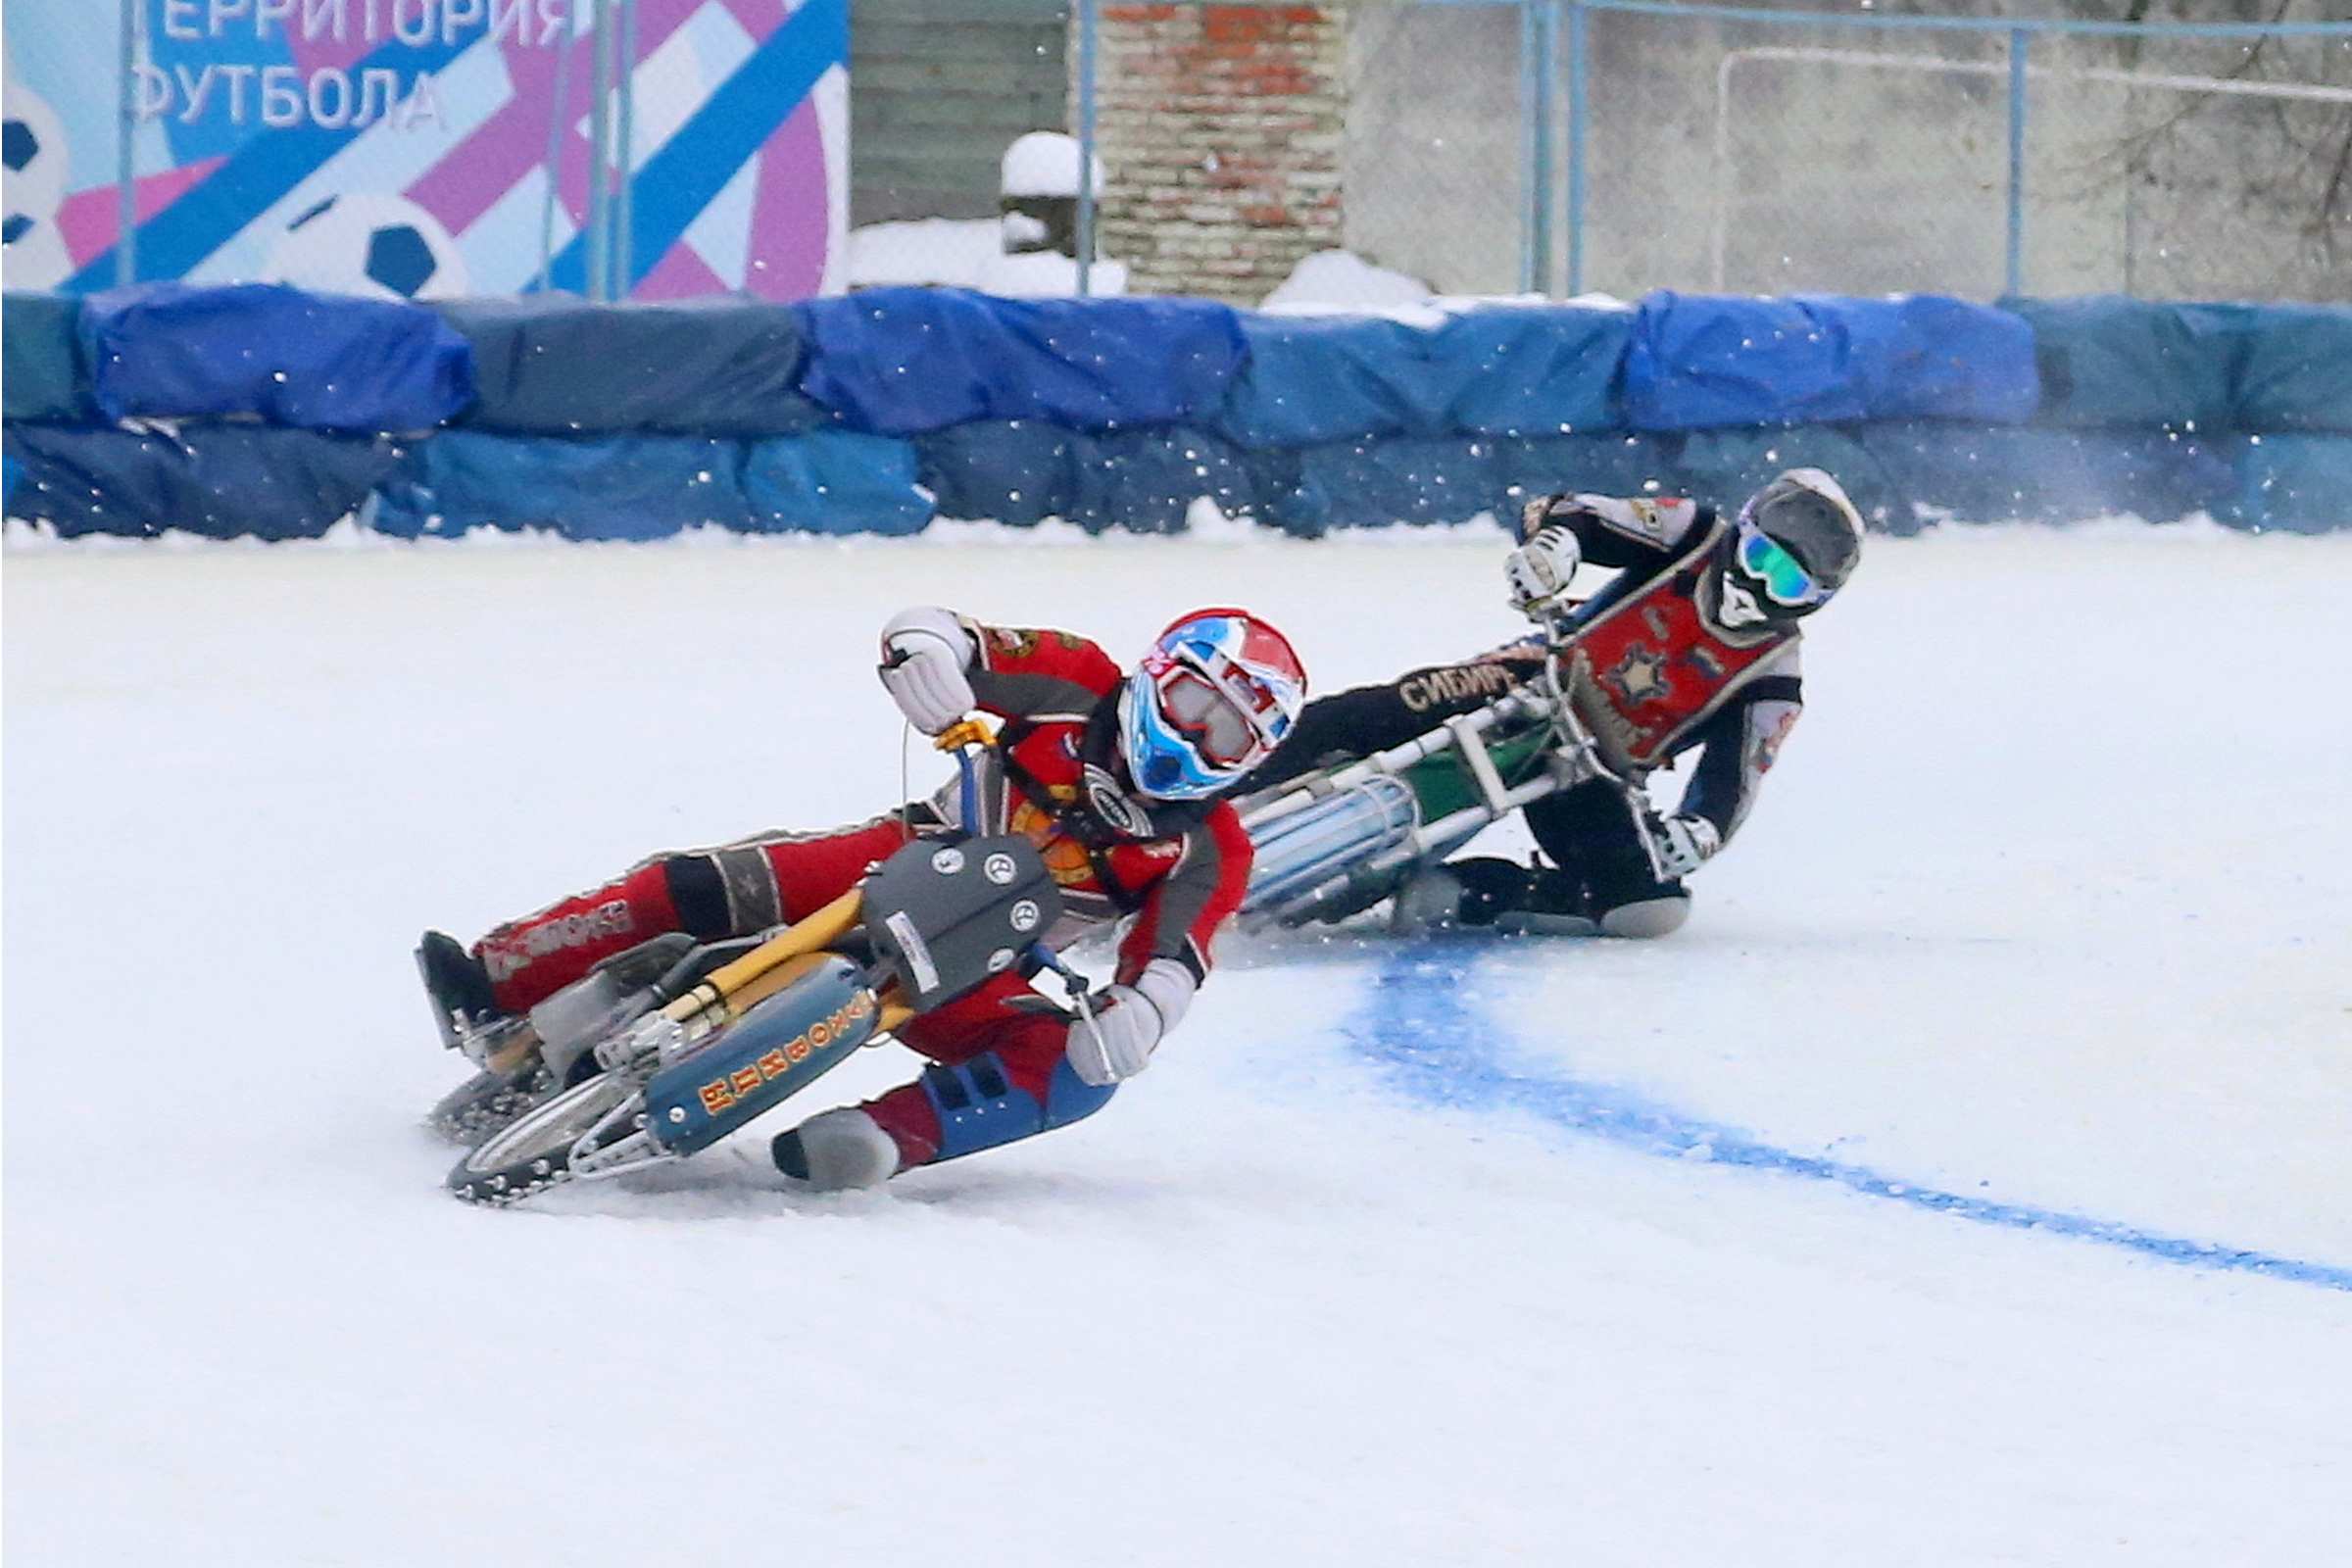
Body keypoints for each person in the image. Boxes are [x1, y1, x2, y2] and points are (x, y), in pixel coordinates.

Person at [417, 606, 1306, 1190]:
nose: (1194, 733)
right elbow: (956, 635)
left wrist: (1143, 1012)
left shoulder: (1209, 848)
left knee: (1077, 1071)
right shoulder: (1075, 677)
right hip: (900, 857)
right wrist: (929, 656)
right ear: (1157, 674)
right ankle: (497, 981)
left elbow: (1175, 957)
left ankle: (880, 1141)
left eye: (1226, 730)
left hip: (980, 961)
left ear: (1250, 760)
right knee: (693, 885)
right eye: (1194, 701)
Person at [1245, 468, 1863, 938]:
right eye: (1758, 559)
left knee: (1649, 909)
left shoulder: (1774, 680)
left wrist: (1696, 834)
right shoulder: (1691, 531)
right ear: (1740, 533)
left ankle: (1479, 893)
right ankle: (1231, 773)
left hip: (1595, 771)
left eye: (1786, 583)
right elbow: (1578, 513)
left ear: (1815, 601)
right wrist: (1556, 548)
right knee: (1382, 710)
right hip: (1532, 676)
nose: (1756, 585)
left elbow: (1736, 781)